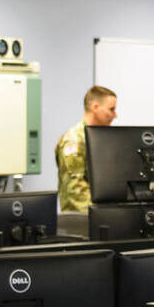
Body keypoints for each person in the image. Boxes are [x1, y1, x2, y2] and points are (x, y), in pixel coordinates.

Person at [56, 85, 117, 213]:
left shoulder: (100, 138)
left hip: (98, 214)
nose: (115, 115)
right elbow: (74, 191)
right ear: (95, 107)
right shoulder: (74, 140)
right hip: (80, 218)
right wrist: (108, 212)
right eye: (111, 109)